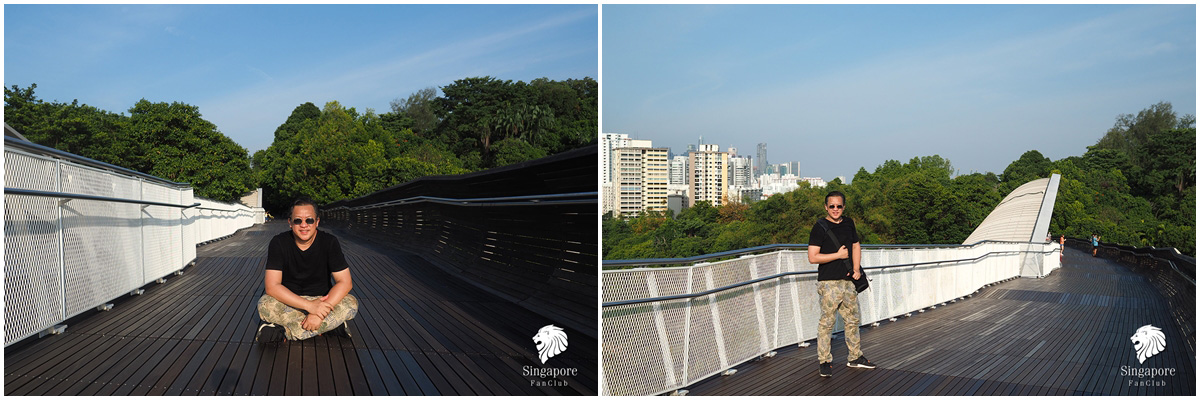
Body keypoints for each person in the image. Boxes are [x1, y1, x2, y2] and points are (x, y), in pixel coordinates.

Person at [258, 197, 359, 341]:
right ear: (290, 223)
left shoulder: (329, 242)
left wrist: (319, 311)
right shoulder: (278, 243)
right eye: (298, 220)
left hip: (322, 300)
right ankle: (329, 326)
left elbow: (345, 282)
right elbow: (272, 286)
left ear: (317, 222)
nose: (304, 225)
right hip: (291, 301)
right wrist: (309, 307)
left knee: (351, 303)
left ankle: (286, 331)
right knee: (264, 304)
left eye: (309, 220)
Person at [808, 191, 875, 378]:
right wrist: (837, 255)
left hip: (848, 281)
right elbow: (812, 257)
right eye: (832, 206)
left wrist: (856, 269)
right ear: (826, 207)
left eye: (839, 206)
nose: (835, 209)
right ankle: (824, 361)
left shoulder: (848, 223)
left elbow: (856, 245)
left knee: (853, 320)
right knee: (827, 323)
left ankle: (855, 357)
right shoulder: (819, 227)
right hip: (829, 282)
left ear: (843, 207)